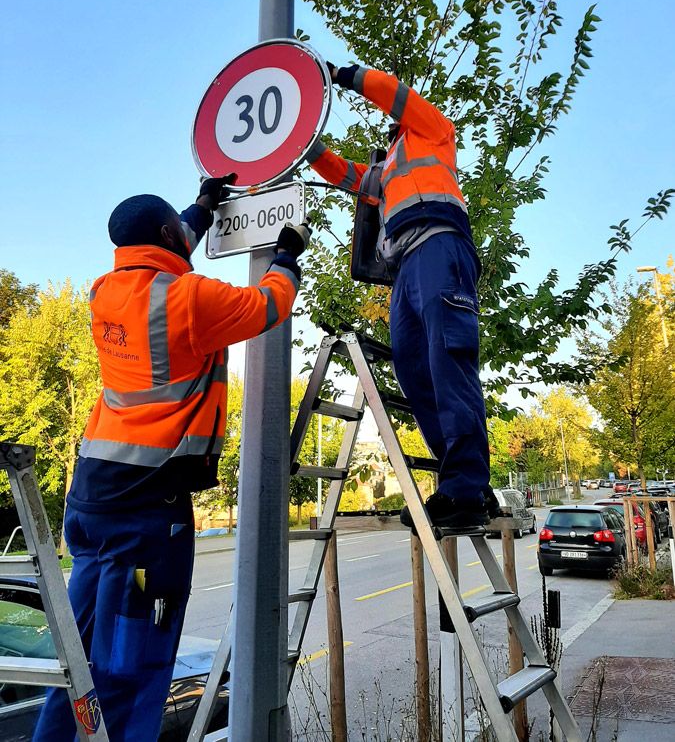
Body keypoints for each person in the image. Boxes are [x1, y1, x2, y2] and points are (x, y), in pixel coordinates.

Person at [33, 177, 310, 742]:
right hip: (146, 510)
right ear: (165, 236)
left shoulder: (103, 290)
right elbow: (268, 304)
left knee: (78, 662)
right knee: (128, 671)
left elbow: (170, 240)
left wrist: (204, 207)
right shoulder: (189, 298)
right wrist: (287, 254)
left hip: (90, 499)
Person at [308, 62, 491, 532]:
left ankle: (467, 488)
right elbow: (347, 177)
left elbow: (394, 94)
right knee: (415, 371)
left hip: (440, 245)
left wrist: (343, 75)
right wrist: (308, 148)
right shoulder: (387, 168)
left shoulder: (432, 130)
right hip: (405, 268)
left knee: (448, 359)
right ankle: (460, 484)